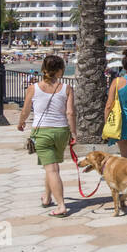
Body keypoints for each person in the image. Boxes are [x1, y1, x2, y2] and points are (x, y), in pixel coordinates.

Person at [16, 55, 76, 217]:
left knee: (51, 169)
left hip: (42, 132)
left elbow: (26, 110)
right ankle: (47, 197)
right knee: (52, 167)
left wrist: (21, 123)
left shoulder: (33, 88)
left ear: (43, 69)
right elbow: (70, 112)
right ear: (60, 70)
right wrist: (74, 132)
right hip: (61, 131)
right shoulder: (67, 88)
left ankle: (61, 206)